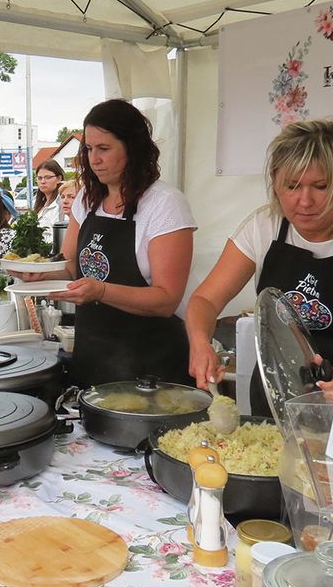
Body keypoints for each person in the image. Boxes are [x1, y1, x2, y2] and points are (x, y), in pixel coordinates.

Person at [185, 118, 333, 413]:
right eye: (292, 186)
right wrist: (200, 343)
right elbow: (205, 299)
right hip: (275, 394)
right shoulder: (263, 226)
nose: (305, 200)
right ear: (275, 182)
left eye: (321, 186)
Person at [13, 99, 197, 387]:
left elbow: (166, 299)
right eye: (88, 149)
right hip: (95, 359)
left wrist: (100, 290)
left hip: (154, 367)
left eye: (104, 149)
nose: (93, 159)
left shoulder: (164, 204)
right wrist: (41, 276)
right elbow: (70, 265)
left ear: (132, 148)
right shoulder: (87, 199)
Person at [33, 159, 65, 242]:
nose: (43, 181)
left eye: (48, 177)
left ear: (59, 178)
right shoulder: (39, 204)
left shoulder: (62, 203)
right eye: (39, 178)